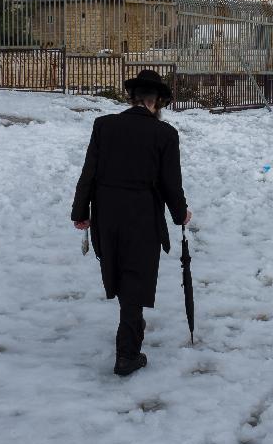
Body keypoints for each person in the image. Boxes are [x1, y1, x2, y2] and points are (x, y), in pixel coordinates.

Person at [71, 69, 191, 376]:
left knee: (118, 270)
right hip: (142, 214)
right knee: (135, 276)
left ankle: (131, 329)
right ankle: (127, 354)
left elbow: (89, 172)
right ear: (157, 103)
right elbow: (170, 184)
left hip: (107, 213)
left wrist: (80, 212)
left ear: (133, 98)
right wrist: (181, 214)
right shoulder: (165, 134)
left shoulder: (104, 125)